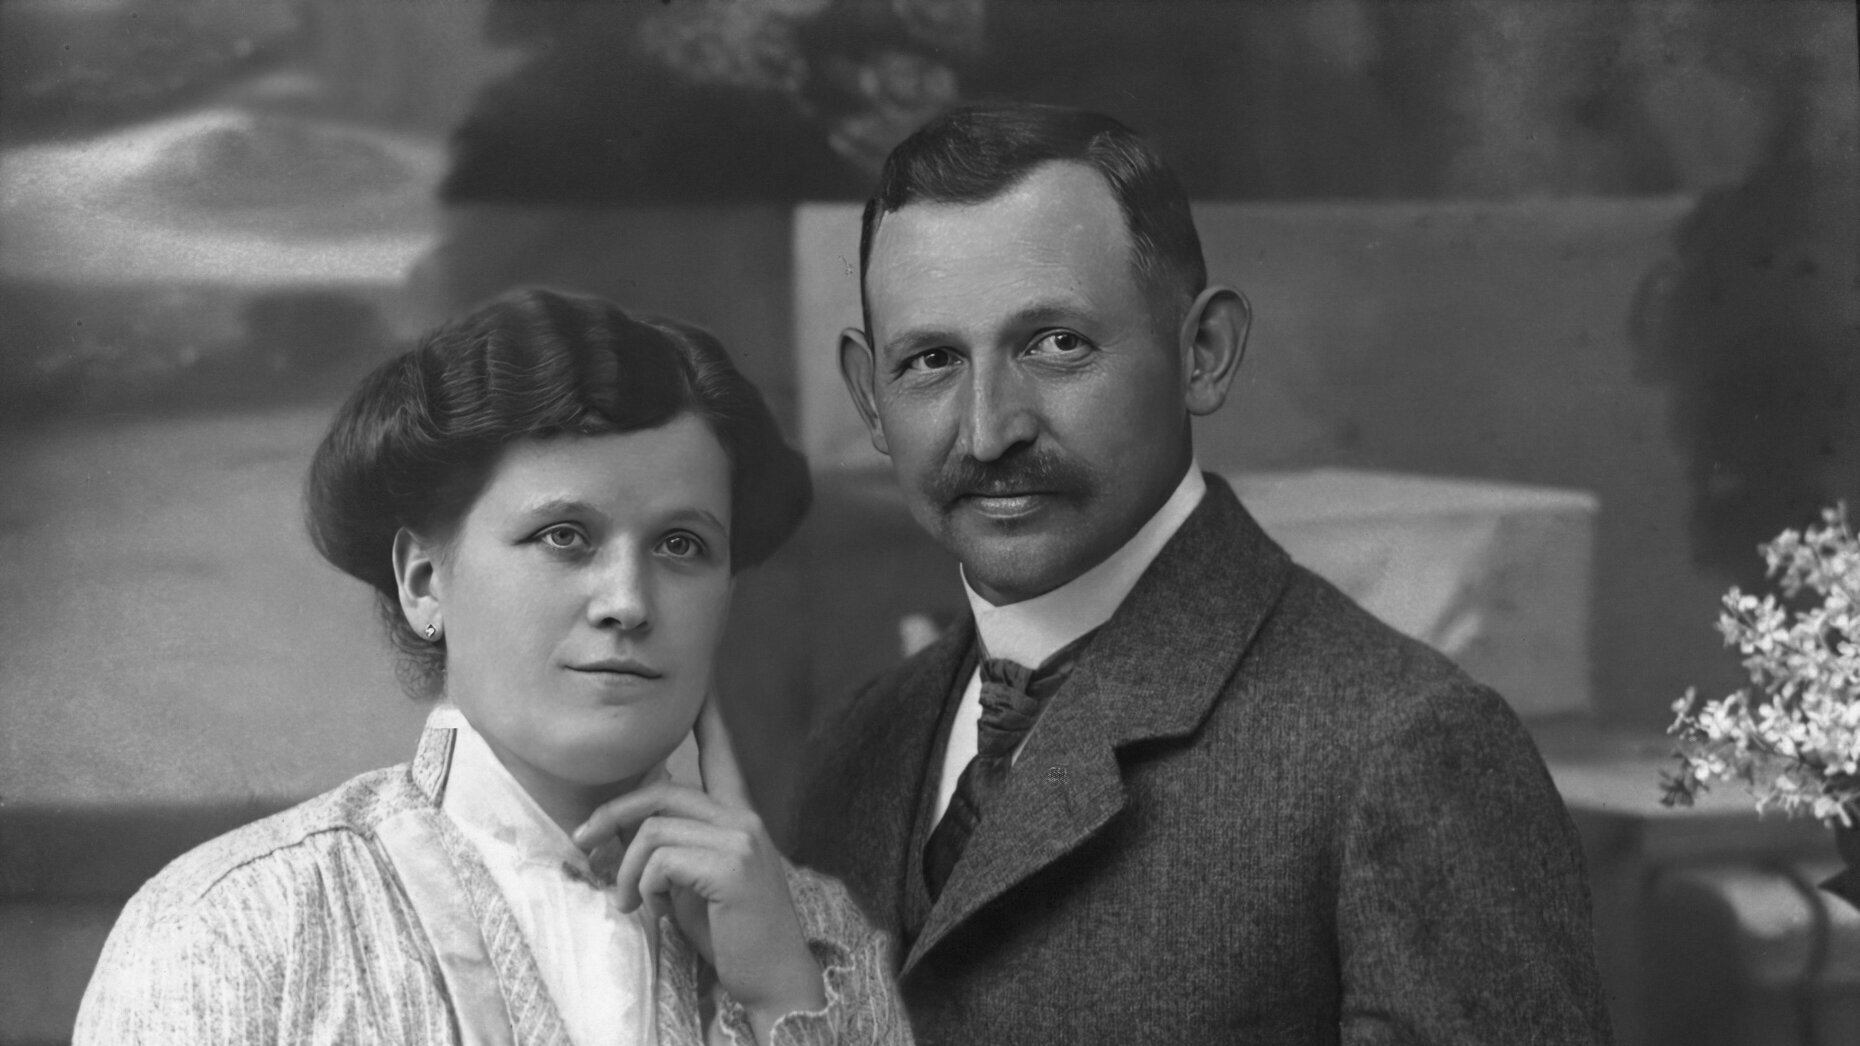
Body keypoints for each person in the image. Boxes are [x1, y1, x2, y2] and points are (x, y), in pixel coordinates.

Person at [793, 102, 1614, 1043]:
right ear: (869, 396)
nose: (989, 429)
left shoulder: (1402, 749)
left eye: (1057, 344)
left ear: (1204, 353)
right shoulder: (859, 747)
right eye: (931, 360)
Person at [76, 289, 911, 1046]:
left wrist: (782, 1004)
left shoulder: (816, 940)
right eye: (564, 537)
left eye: (681, 545)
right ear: (423, 581)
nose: (628, 601)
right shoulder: (237, 926)